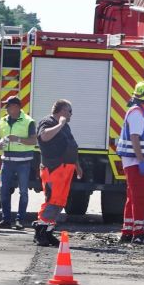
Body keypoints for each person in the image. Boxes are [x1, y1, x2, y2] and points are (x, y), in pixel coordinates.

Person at [115, 81, 144, 245]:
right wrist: (141, 161)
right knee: (141, 197)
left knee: (133, 197)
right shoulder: (138, 113)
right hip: (136, 162)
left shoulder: (138, 111)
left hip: (135, 162)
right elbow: (135, 137)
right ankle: (138, 233)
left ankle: (128, 231)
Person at [34, 99, 82, 247]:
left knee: (60, 201)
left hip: (66, 169)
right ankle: (40, 232)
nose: (71, 115)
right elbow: (44, 137)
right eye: (69, 111)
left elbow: (71, 146)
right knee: (51, 200)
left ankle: (48, 232)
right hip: (53, 169)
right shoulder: (47, 122)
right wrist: (60, 124)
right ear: (61, 111)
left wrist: (77, 166)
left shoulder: (65, 127)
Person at [0, 96, 37, 230]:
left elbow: (33, 142)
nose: (6, 108)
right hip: (6, 161)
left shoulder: (29, 121)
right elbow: (0, 140)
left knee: (23, 192)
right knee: (3, 190)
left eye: (9, 106)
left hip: (23, 162)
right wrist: (0, 145)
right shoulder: (2, 121)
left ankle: (20, 220)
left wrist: (17, 139)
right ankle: (6, 220)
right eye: (6, 106)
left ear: (17, 107)